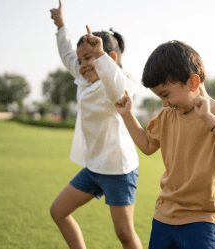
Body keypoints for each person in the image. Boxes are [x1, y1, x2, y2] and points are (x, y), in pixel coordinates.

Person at [115, 40, 215, 248]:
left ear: (193, 83)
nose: (164, 103)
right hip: (164, 216)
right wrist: (127, 115)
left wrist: (207, 117)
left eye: (165, 94)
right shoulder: (167, 116)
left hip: (204, 220)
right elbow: (147, 146)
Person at [49, 1, 142, 249]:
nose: (82, 65)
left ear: (109, 58)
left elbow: (119, 88)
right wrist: (61, 26)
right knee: (58, 211)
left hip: (118, 170)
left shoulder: (115, 85)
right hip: (94, 167)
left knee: (124, 232)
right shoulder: (84, 78)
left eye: (89, 58)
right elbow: (69, 55)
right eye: (82, 60)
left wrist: (99, 56)